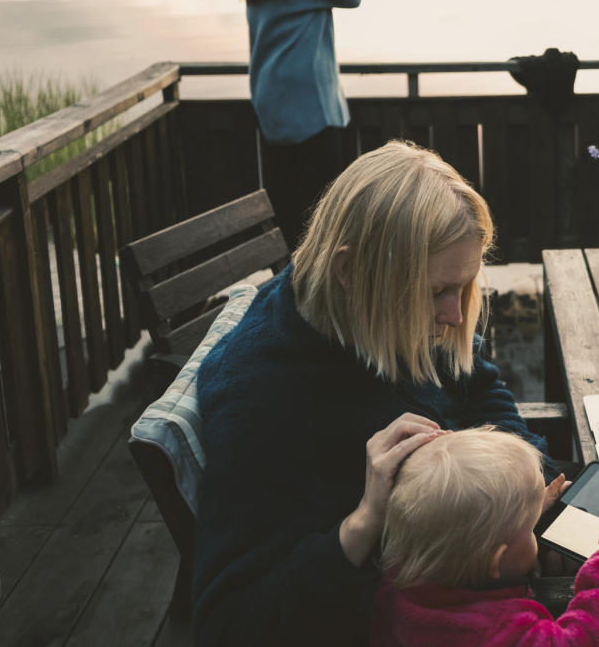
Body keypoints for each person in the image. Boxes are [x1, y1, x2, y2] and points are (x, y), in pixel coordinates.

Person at [193, 141, 560, 646]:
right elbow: (230, 624)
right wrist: (363, 523)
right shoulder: (264, 405)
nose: (454, 315)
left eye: (463, 287)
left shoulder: (370, 313)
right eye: (436, 292)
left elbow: (476, 380)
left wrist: (523, 482)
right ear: (350, 272)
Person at [372, 427, 599, 647]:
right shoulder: (498, 633)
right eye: (529, 528)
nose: (534, 529)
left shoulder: (405, 579)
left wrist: (523, 511)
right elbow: (583, 640)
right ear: (496, 561)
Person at [233, 0, 361, 246]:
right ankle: (320, 303)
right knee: (325, 221)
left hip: (271, 100)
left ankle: (290, 298)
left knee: (288, 215)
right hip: (312, 106)